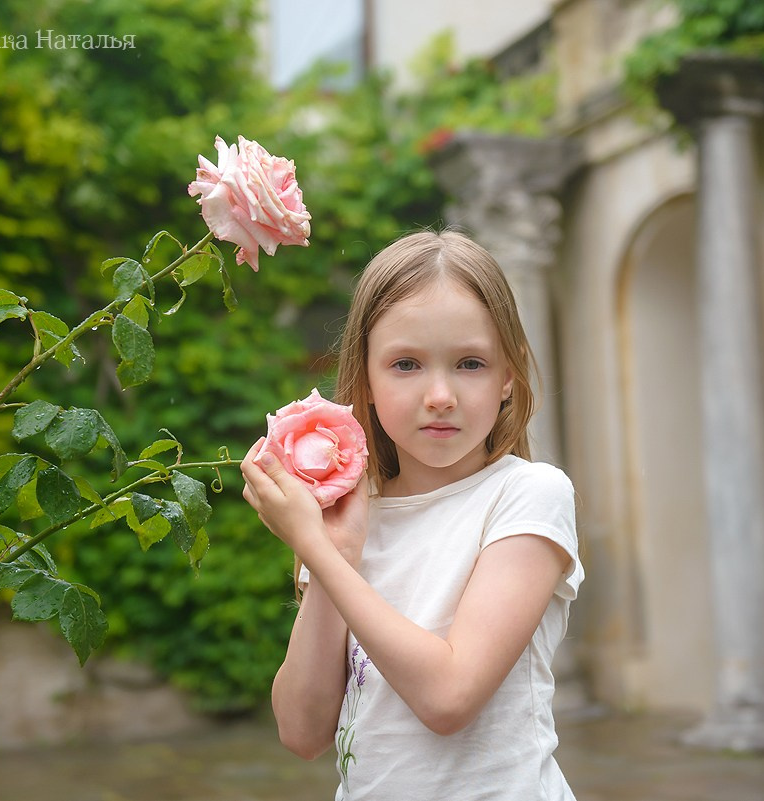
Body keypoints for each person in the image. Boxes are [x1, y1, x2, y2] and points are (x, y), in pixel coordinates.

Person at [240, 229, 584, 800]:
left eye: (470, 363)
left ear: (509, 375)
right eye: (405, 364)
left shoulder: (528, 495)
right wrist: (337, 554)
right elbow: (302, 731)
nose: (440, 394)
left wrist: (321, 553)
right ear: (366, 380)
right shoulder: (346, 517)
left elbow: (449, 699)